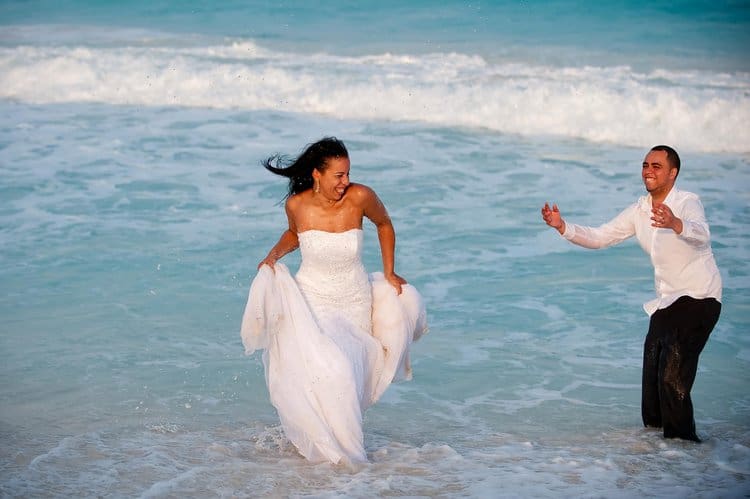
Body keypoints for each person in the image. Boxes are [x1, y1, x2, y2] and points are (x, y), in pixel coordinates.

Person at [240, 137, 427, 464]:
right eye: (338, 175)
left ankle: (337, 446)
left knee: (345, 372)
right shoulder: (297, 205)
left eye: (347, 174)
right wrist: (271, 257)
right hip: (313, 300)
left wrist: (390, 272)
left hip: (353, 301)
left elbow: (384, 224)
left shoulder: (360, 197)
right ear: (317, 174)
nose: (345, 182)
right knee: (330, 368)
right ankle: (337, 454)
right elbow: (294, 234)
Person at [541, 145, 722, 442]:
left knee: (671, 377)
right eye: (645, 164)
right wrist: (563, 226)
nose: (648, 170)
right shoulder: (639, 210)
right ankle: (659, 455)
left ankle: (686, 449)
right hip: (667, 303)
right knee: (651, 385)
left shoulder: (688, 202)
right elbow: (601, 237)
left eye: (656, 166)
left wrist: (675, 223)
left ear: (672, 173)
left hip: (699, 298)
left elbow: (702, 232)